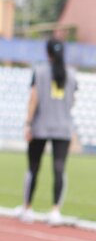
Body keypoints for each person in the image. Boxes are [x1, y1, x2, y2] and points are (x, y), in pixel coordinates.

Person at [21, 40, 80, 226]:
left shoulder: (39, 71)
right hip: (63, 127)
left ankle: (27, 208)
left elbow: (33, 98)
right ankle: (55, 210)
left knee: (33, 167)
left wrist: (28, 123)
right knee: (59, 169)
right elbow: (73, 101)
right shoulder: (71, 74)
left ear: (47, 53)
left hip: (40, 126)